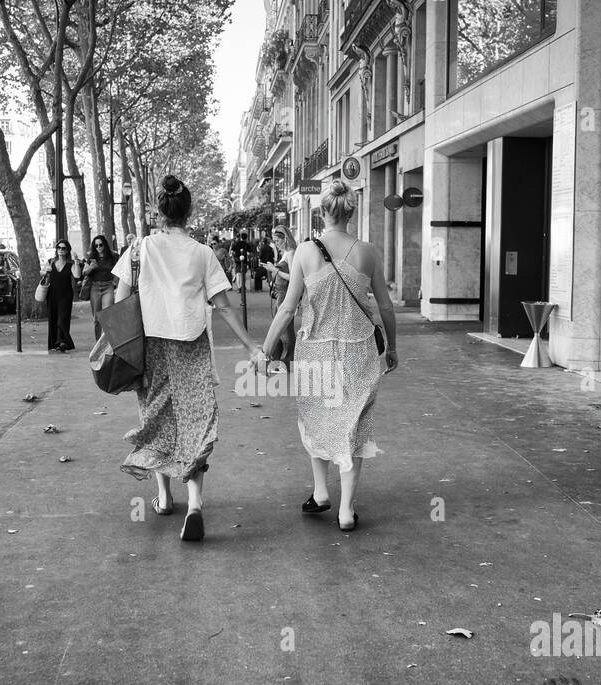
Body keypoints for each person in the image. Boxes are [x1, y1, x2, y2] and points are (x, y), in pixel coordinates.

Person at [112, 175, 264, 542]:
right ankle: (194, 502)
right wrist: (252, 347)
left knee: (155, 418)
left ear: (158, 212)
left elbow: (119, 300)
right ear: (188, 211)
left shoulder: (139, 249)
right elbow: (224, 307)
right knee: (196, 422)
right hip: (191, 344)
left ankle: (164, 497)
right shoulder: (202, 253)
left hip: (151, 347)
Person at [258, 180, 398, 532]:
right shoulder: (368, 252)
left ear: (322, 212)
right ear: (351, 213)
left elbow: (288, 309)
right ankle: (346, 511)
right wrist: (393, 347)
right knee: (353, 427)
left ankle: (321, 492)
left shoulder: (305, 251)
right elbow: (385, 307)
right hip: (358, 351)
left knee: (316, 419)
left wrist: (265, 348)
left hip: (315, 351)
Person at [262, 225, 296, 365]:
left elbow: (294, 277)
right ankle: (278, 359)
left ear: (285, 239)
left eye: (277, 241)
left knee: (285, 330)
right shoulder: (285, 253)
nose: (276, 244)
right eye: (274, 241)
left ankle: (286, 361)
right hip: (279, 293)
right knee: (279, 328)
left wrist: (274, 270)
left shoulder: (291, 253)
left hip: (286, 294)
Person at [82, 234, 119, 341]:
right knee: (96, 318)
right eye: (96, 245)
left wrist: (116, 282)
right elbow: (84, 273)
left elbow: (118, 271)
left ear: (105, 245)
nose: (98, 247)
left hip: (108, 287)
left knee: (108, 315)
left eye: (100, 245)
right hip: (95, 287)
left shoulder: (113, 257)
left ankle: (108, 342)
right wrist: (91, 268)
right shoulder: (91, 258)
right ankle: (98, 343)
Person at [45, 239, 76, 352]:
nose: (61, 250)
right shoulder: (51, 262)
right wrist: (45, 272)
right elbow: (43, 273)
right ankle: (56, 343)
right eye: (59, 248)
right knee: (53, 318)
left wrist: (76, 261)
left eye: (63, 248)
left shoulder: (70, 264)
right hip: (52, 294)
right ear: (56, 249)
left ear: (67, 250)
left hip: (66, 295)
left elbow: (77, 275)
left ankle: (61, 341)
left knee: (62, 319)